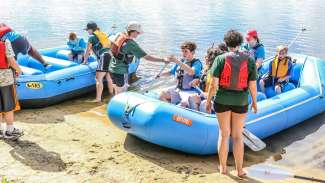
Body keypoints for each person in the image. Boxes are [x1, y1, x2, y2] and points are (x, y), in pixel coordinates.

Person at [206, 30, 258, 177]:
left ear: (226, 43)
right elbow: (253, 85)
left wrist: (209, 101)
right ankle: (240, 170)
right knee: (237, 136)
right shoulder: (249, 60)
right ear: (240, 43)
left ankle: (223, 168)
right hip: (240, 101)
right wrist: (254, 102)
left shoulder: (220, 59)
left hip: (221, 100)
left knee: (223, 134)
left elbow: (213, 85)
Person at [109, 21, 172, 94]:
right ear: (132, 32)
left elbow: (111, 46)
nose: (138, 34)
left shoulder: (119, 35)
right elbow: (147, 57)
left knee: (116, 90)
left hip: (112, 69)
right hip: (121, 71)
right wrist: (163, 60)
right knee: (122, 92)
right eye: (138, 32)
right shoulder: (131, 44)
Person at [159, 41, 203, 107]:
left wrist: (176, 61)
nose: (183, 53)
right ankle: (170, 111)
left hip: (190, 91)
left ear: (192, 52)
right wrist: (160, 75)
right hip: (178, 90)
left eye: (186, 51)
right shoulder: (181, 61)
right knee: (162, 94)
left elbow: (191, 72)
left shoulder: (196, 63)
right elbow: (171, 72)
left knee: (184, 103)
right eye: (182, 51)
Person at [188, 43, 227, 112]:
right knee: (192, 98)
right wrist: (197, 80)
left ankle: (206, 118)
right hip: (205, 96)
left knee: (204, 104)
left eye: (207, 56)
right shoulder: (207, 69)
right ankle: (196, 118)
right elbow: (203, 79)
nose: (205, 57)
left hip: (217, 101)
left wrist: (208, 95)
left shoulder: (221, 72)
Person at [83, 21, 114, 102]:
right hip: (110, 55)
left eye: (87, 30)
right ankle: (111, 95)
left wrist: (85, 61)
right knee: (108, 77)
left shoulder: (91, 37)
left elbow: (87, 50)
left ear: (91, 29)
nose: (87, 31)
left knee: (98, 78)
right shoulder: (102, 34)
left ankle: (98, 99)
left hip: (104, 56)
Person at [0, 37, 24, 140]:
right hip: (5, 78)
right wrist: (19, 70)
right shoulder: (5, 41)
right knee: (8, 105)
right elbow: (11, 60)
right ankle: (10, 131)